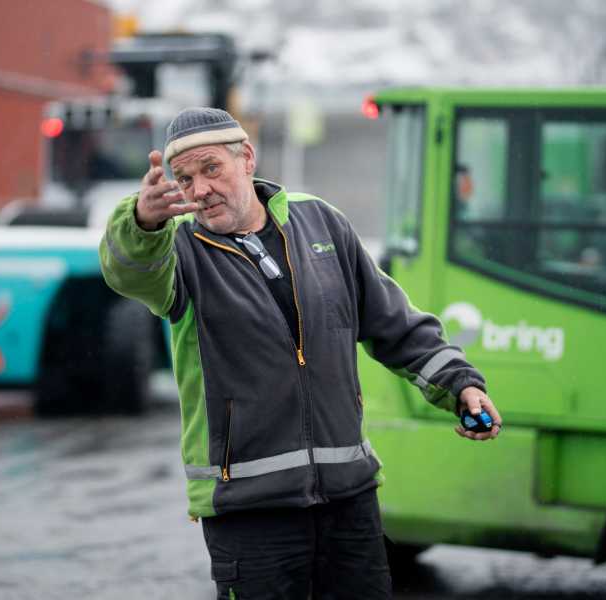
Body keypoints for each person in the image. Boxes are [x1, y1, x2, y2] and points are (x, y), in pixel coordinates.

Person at [99, 107, 501, 599]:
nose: (199, 189)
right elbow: (128, 269)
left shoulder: (319, 222)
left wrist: (461, 384)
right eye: (184, 179)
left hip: (348, 500)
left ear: (247, 158)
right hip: (249, 512)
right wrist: (140, 221)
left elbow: (392, 321)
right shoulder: (179, 252)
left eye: (210, 169)